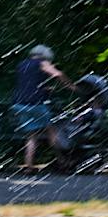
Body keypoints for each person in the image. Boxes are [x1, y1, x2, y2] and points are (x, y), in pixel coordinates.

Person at [12, 43, 69, 171]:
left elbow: (28, 84)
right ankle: (63, 161)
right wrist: (70, 86)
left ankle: (29, 166)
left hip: (19, 103)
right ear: (45, 56)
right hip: (35, 104)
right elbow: (58, 74)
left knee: (32, 136)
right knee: (52, 132)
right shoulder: (42, 62)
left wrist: (44, 89)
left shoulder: (22, 64)